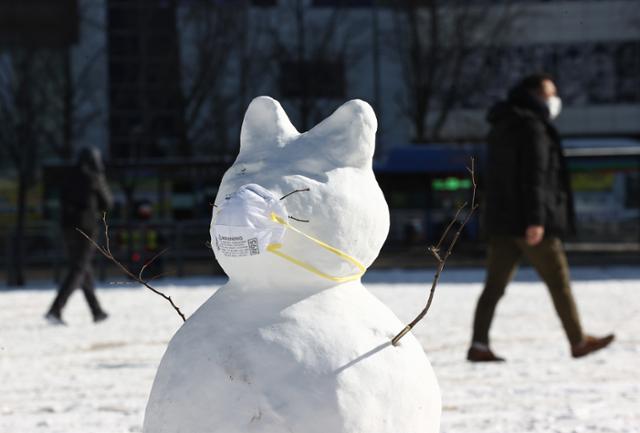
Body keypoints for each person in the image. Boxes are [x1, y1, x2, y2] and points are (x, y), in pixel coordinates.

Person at [467, 73, 614, 361]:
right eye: (550, 93)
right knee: (559, 282)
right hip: (530, 223)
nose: (554, 99)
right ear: (536, 94)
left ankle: (479, 345)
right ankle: (578, 341)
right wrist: (536, 219)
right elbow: (536, 177)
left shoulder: (501, 125)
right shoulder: (533, 127)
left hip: (501, 221)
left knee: (493, 287)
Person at [45, 147, 113, 325]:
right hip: (86, 229)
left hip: (67, 229)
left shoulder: (68, 177)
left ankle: (96, 311)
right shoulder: (93, 178)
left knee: (83, 268)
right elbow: (107, 203)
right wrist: (101, 181)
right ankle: (56, 309)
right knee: (79, 269)